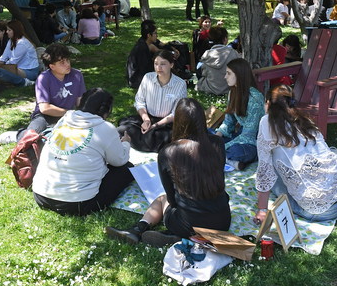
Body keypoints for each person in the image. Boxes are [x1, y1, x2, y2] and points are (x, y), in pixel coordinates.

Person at [105, 98, 231, 246]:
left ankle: (138, 230)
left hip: (189, 224)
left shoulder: (168, 153)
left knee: (161, 199)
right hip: (222, 221)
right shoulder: (218, 143)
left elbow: (171, 198)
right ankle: (181, 236)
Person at [253, 85, 337, 225]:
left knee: (274, 180)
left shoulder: (266, 122)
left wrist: (262, 209)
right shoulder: (304, 120)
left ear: (268, 103)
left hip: (320, 212)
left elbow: (264, 172)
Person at [32, 88, 134, 216]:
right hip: (76, 203)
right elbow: (119, 160)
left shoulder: (64, 119)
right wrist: (125, 144)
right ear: (106, 111)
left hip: (41, 194)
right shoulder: (105, 128)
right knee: (127, 168)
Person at [117, 49, 188, 152]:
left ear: (171, 65)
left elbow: (176, 113)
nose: (159, 67)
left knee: (169, 137)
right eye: (156, 64)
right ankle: (149, 142)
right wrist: (146, 120)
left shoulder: (180, 84)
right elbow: (139, 101)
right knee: (123, 128)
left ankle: (144, 142)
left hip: (166, 123)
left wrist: (156, 125)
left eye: (163, 64)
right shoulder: (147, 78)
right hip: (148, 118)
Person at [214, 58, 265, 170]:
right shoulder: (233, 92)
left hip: (254, 141)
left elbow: (249, 135)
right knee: (207, 135)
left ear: (239, 75)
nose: (225, 77)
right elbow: (228, 122)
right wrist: (215, 139)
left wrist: (221, 147)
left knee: (237, 151)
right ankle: (228, 160)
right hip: (239, 136)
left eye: (228, 73)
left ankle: (223, 156)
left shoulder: (255, 99)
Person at [196, 27, 240, 95]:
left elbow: (202, 73)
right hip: (228, 87)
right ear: (225, 39)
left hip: (210, 88)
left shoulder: (206, 54)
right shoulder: (233, 53)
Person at [126, 21, 160, 88]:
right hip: (136, 80)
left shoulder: (143, 43)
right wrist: (156, 58)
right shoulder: (142, 48)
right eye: (155, 33)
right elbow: (146, 69)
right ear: (149, 35)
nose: (157, 35)